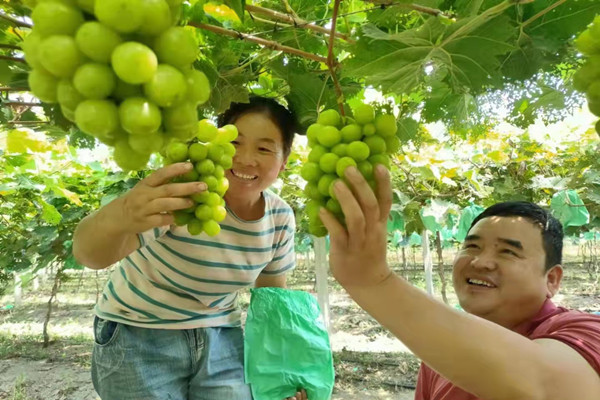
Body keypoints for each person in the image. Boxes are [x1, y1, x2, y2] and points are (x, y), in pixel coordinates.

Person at [73, 96, 307, 400]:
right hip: (138, 333)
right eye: (235, 144)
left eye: (264, 148)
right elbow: (90, 255)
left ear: (284, 162)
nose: (247, 159)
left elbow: (272, 299)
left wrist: (281, 370)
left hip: (221, 335)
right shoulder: (185, 196)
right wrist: (122, 213)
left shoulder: (280, 216)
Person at [320, 164, 600, 400]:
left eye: (507, 251)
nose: (480, 262)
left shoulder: (585, 331)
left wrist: (374, 283)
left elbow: (543, 386)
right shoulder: (441, 353)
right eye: (472, 247)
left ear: (551, 279)